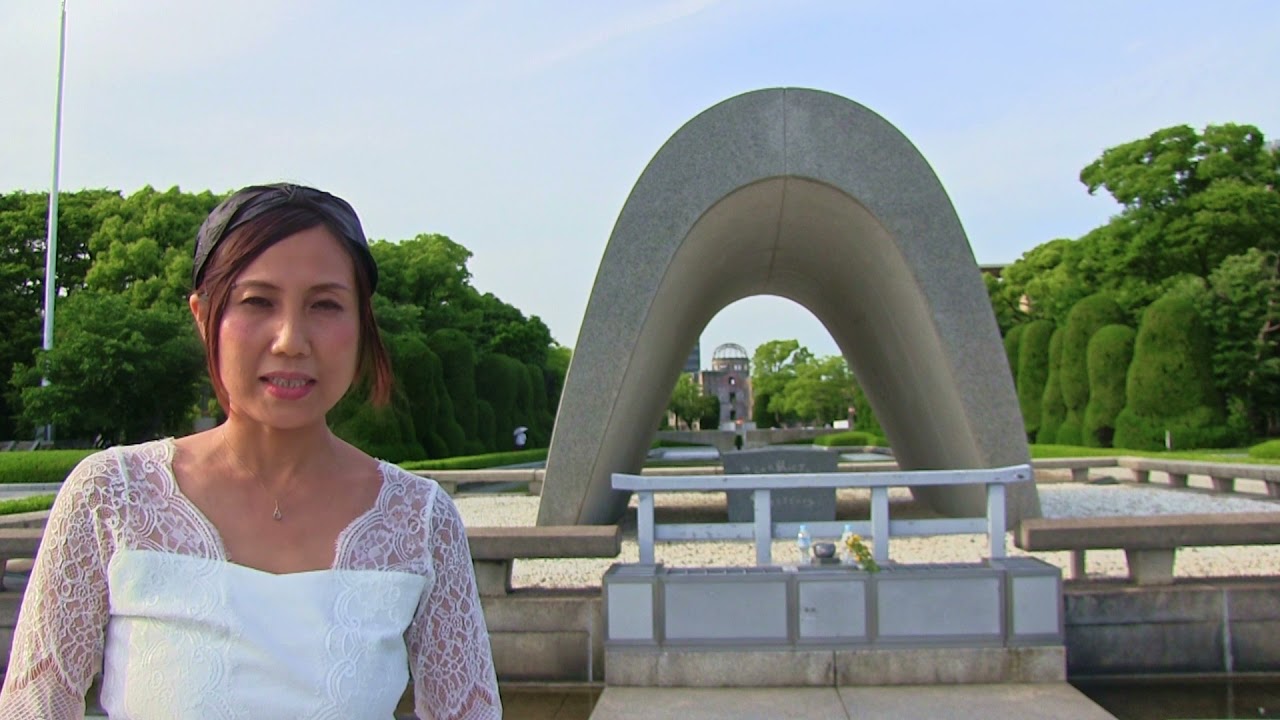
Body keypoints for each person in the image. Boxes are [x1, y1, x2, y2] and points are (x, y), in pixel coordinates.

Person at [0, 184, 502, 719]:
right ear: (203, 317)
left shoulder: (419, 519)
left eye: (325, 305)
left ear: (362, 324)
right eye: (257, 302)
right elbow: (35, 706)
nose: (291, 339)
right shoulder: (111, 496)